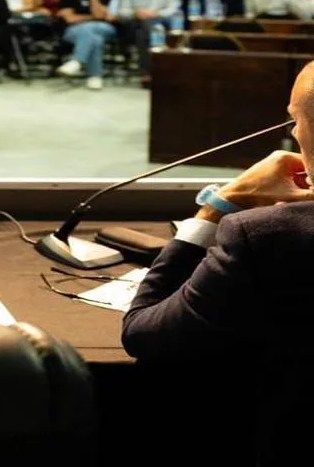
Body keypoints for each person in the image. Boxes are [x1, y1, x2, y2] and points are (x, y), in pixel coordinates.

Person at [122, 62, 314, 464]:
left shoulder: (266, 236)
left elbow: (144, 334)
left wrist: (222, 205)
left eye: (295, 120)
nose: (293, 134)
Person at [115, 0, 182, 83]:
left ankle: (147, 72)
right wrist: (136, 13)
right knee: (145, 27)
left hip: (161, 23)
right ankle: (157, 69)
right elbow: (122, 12)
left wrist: (154, 13)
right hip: (133, 23)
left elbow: (173, 10)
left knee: (144, 31)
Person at [55, 0, 116, 90]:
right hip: (74, 30)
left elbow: (99, 15)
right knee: (95, 38)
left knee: (88, 29)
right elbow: (70, 19)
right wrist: (92, 18)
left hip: (103, 28)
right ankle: (95, 76)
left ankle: (77, 61)